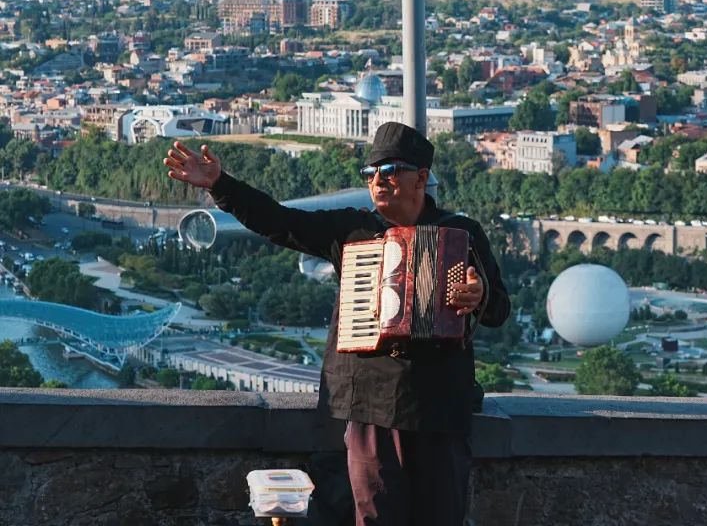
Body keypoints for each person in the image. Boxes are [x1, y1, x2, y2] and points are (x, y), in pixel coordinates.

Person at [163, 122, 510, 526]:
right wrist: (220, 184)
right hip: (372, 403)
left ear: (420, 178)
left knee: (441, 517)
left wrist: (479, 296)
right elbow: (279, 221)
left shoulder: (461, 234)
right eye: (370, 173)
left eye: (390, 170)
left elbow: (499, 310)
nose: (377, 180)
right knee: (375, 517)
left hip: (440, 406)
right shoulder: (352, 231)